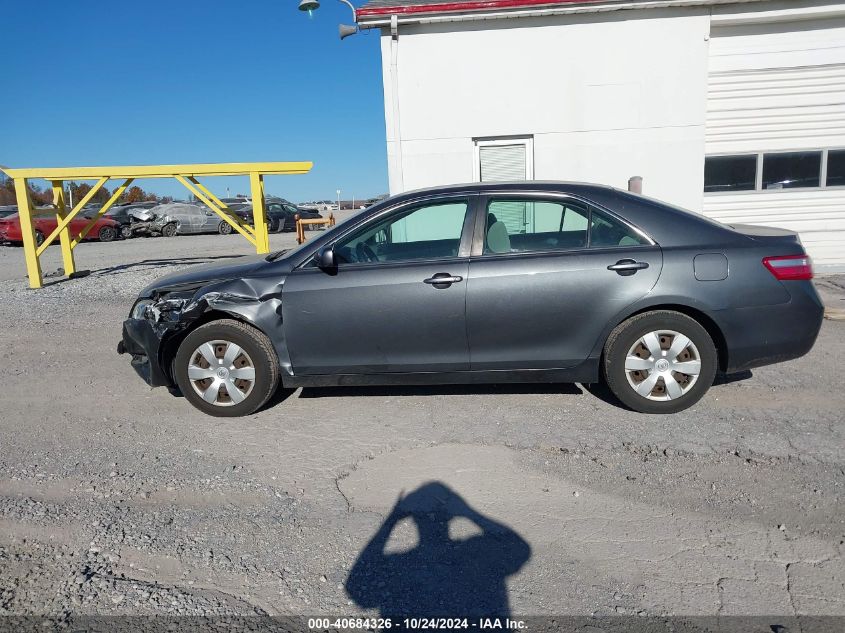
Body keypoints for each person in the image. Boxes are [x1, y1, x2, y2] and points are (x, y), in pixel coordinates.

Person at [346, 482, 531, 618]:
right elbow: (520, 549)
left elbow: (357, 590)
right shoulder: (469, 553)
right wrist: (470, 513)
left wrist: (391, 520)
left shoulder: (401, 563)